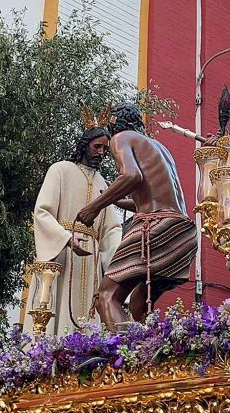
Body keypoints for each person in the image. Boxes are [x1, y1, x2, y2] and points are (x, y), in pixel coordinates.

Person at [78, 102, 198, 329]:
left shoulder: (121, 138)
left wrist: (93, 207)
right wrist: (111, 199)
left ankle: (126, 359)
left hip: (155, 226)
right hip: (183, 233)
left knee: (106, 296)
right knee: (137, 303)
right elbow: (147, 199)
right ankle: (152, 353)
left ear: (114, 123)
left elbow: (131, 176)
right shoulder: (160, 148)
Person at [29, 117, 126, 334]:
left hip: (89, 257)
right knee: (56, 306)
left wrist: (117, 260)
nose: (101, 152)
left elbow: (111, 228)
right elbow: (42, 212)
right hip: (61, 253)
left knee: (87, 315)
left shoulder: (103, 183)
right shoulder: (60, 170)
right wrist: (66, 239)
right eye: (97, 146)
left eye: (105, 148)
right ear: (85, 145)